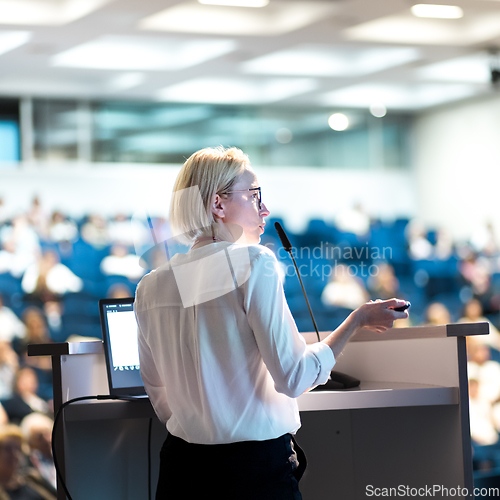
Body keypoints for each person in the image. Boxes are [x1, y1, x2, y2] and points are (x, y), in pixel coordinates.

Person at [134, 146, 409, 500]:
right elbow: (294, 377)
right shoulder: (254, 262)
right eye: (254, 196)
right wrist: (356, 321)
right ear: (218, 205)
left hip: (180, 468)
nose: (265, 209)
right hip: (250, 471)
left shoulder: (150, 285)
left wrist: (203, 419)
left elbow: (159, 394)